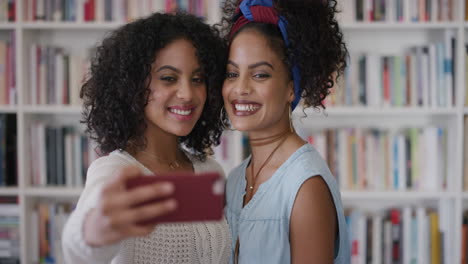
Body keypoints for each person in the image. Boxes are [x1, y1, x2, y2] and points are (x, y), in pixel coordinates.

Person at [61, 12, 231, 264]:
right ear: (133, 85)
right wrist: (93, 230)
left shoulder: (210, 170)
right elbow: (78, 246)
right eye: (168, 78)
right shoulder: (115, 171)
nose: (187, 93)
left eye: (198, 79)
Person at [220, 0, 350, 263]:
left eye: (260, 75)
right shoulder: (235, 180)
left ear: (291, 87)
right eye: (232, 74)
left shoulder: (305, 187)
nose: (240, 88)